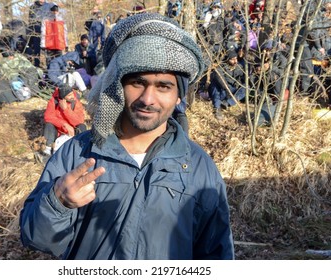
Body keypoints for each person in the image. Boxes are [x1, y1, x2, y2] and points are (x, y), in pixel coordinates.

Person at [20, 12, 234, 260]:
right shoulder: (77, 153)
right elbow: (35, 239)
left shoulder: (198, 168)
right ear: (117, 85)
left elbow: (217, 255)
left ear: (179, 96)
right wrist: (58, 203)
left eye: (163, 86)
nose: (147, 99)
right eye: (137, 82)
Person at [40, 84, 86, 157]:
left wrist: (66, 110)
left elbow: (79, 120)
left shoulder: (75, 102)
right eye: (69, 95)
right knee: (49, 125)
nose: (72, 96)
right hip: (58, 130)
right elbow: (48, 117)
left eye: (72, 94)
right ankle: (48, 150)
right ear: (63, 98)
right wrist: (64, 125)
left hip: (73, 130)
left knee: (82, 126)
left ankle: (81, 149)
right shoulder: (53, 101)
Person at [208, 49, 245, 120]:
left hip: (232, 91)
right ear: (227, 60)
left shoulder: (239, 67)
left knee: (246, 88)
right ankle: (217, 107)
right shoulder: (221, 67)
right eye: (233, 59)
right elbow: (221, 80)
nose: (235, 61)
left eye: (236, 59)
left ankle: (227, 103)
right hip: (223, 90)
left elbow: (244, 79)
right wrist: (227, 89)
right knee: (215, 84)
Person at [26, 0, 54, 67]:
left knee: (48, 50)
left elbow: (52, 18)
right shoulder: (32, 7)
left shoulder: (49, 6)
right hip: (36, 31)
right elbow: (30, 21)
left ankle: (49, 67)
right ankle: (37, 66)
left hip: (47, 31)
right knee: (36, 50)